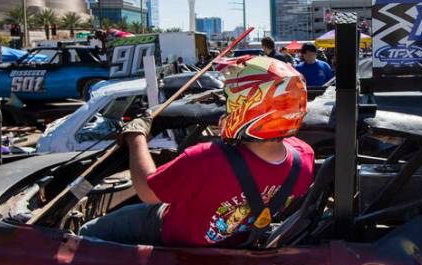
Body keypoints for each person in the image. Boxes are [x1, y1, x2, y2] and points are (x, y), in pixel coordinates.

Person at [79, 56, 314, 247]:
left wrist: (136, 137)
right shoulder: (304, 157)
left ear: (248, 107)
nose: (226, 106)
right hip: (239, 240)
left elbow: (147, 192)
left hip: (172, 235)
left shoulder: (206, 159)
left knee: (87, 232)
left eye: (230, 100)